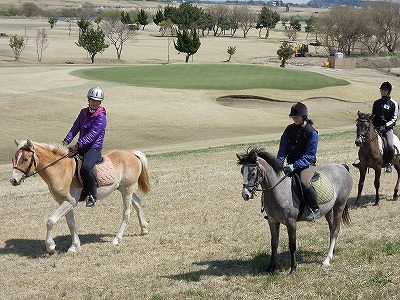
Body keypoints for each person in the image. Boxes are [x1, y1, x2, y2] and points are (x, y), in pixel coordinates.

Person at [63, 87, 107, 207]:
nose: (94, 103)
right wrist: (66, 140)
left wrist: (77, 145)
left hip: (94, 148)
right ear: (88, 99)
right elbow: (75, 127)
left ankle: (92, 194)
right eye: (92, 100)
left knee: (87, 167)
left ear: (100, 102)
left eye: (97, 101)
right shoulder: (83, 112)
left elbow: (93, 135)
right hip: (81, 146)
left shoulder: (101, 117)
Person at [277, 102, 320, 222]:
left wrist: (295, 166)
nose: (294, 119)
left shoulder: (312, 133)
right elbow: (283, 148)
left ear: (304, 116)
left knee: (304, 182)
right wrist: (279, 163)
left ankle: (315, 209)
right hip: (290, 164)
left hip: (307, 165)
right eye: (293, 117)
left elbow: (310, 155)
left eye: (296, 117)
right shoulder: (289, 129)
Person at [372, 81, 398, 173]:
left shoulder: (393, 104)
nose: (382, 92)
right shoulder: (376, 103)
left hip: (387, 129)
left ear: (388, 91)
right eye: (381, 90)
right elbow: (373, 116)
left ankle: (389, 164)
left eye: (384, 90)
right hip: (376, 128)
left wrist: (385, 126)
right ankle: (362, 161)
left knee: (390, 145)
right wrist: (373, 125)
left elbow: (394, 119)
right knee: (365, 141)